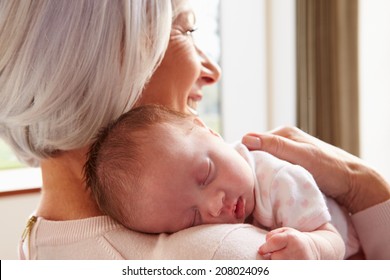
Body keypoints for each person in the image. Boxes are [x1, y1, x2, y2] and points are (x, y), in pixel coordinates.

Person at [0, 0, 388, 260]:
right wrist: (366, 187)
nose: (212, 71)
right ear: (99, 66)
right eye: (185, 31)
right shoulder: (229, 252)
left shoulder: (40, 241)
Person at [84, 104, 361, 260]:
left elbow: (333, 238)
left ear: (211, 133)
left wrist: (311, 246)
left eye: (205, 174)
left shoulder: (278, 181)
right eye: (192, 218)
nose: (215, 206)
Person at [242, 128, 390, 260]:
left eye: (216, 170)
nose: (218, 203)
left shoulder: (276, 178)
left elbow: (335, 240)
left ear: (218, 138)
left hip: (348, 237)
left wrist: (313, 247)